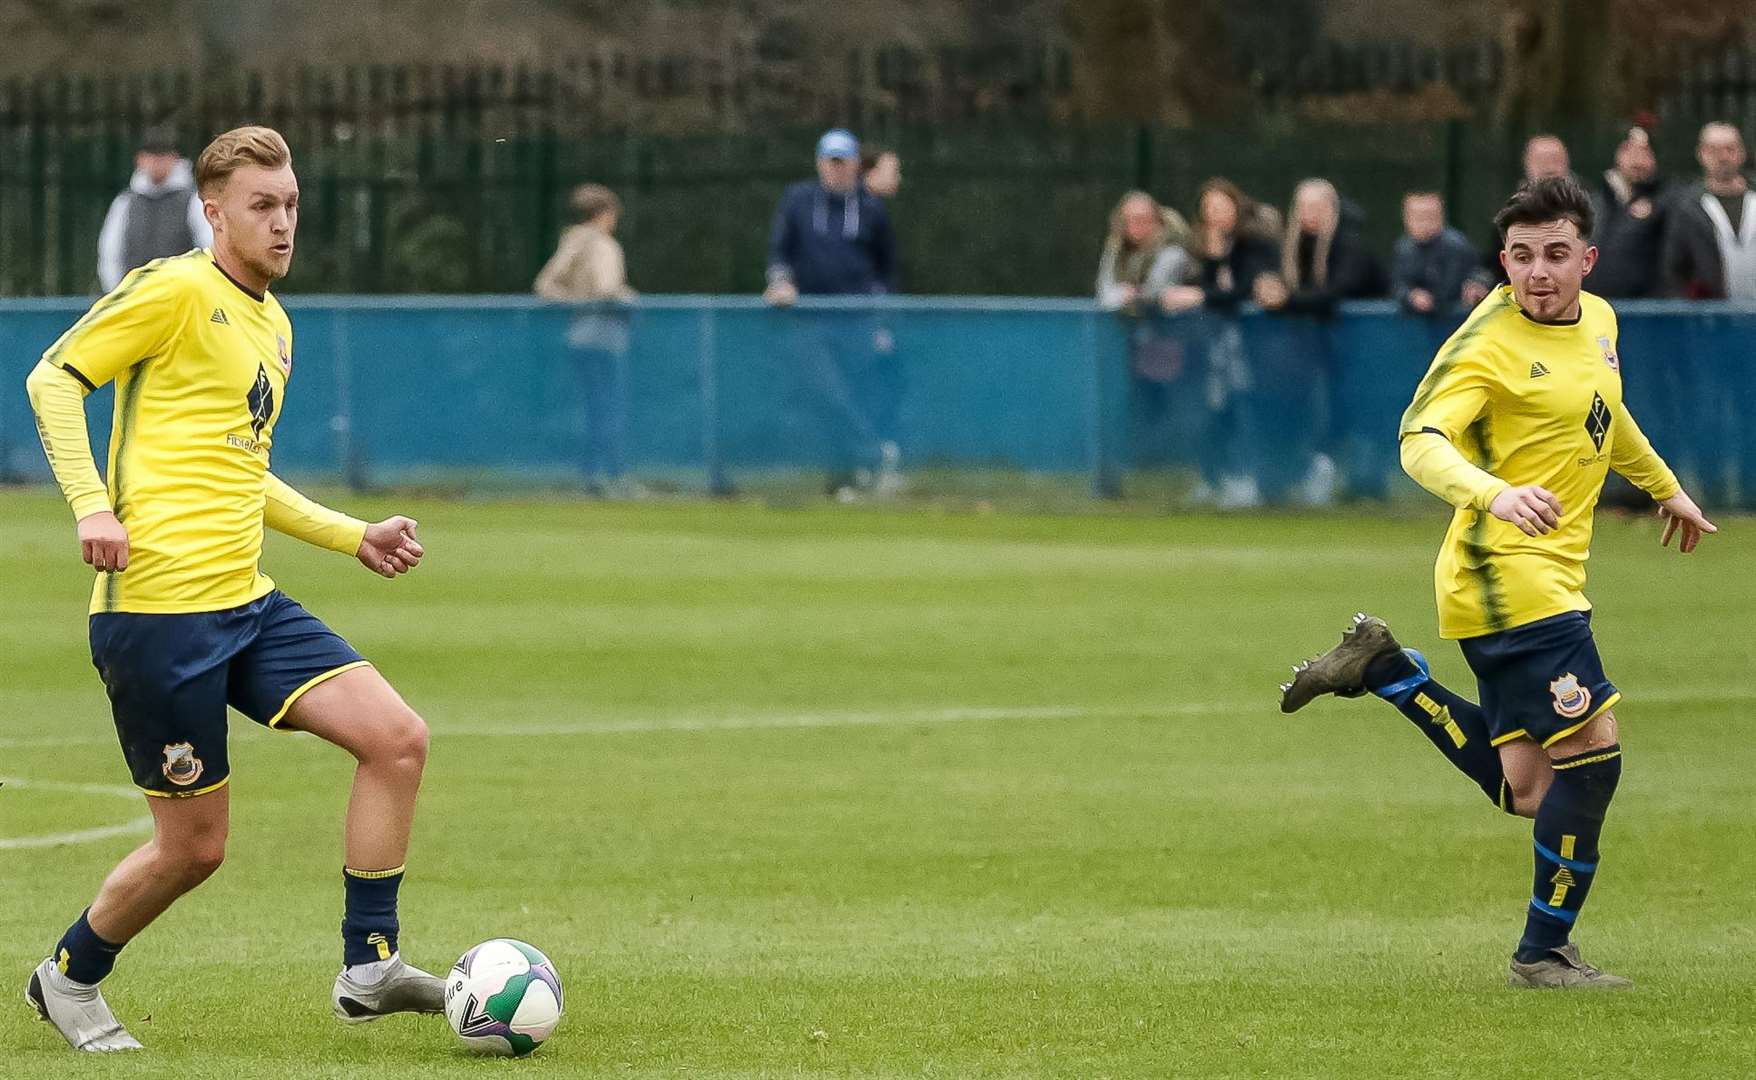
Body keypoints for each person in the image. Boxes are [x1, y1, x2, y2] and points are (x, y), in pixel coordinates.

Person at [23, 126, 442, 1052]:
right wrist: (92, 507)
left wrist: (352, 535)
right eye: (263, 206)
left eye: (291, 203)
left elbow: (240, 473)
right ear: (213, 212)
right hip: (158, 618)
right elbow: (51, 380)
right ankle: (68, 977)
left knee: (397, 740)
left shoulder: (274, 324)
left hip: (247, 604)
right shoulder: (174, 290)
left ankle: (369, 964)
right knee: (195, 850)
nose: (284, 222)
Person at [1278, 176, 1716, 990]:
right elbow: (1419, 439)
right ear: (1504, 262)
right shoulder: (1487, 344)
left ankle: (1384, 669)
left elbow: (1604, 416)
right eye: (1520, 256)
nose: (1537, 272)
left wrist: (1663, 486)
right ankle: (1542, 954)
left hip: (1539, 575)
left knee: (1528, 791)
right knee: (1595, 755)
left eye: (1555, 254)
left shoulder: (1604, 321)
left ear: (1587, 259)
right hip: (1505, 575)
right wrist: (1495, 492)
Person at [764, 129, 898, 498]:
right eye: (830, 162)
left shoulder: (871, 208)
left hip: (858, 319)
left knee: (854, 393)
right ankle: (872, 453)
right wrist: (780, 282)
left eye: (843, 162)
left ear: (855, 165)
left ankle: (844, 479)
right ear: (820, 163)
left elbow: (886, 268)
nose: (836, 169)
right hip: (810, 318)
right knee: (823, 389)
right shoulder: (798, 200)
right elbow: (780, 252)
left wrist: (883, 320)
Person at [1254, 179, 1384, 504]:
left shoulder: (1352, 246)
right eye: (1304, 207)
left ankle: (1361, 485)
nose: (1310, 215)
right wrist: (1265, 287)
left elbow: (1334, 294)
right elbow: (1269, 279)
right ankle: (1285, 480)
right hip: (1306, 355)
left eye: (1318, 207)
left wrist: (1285, 301)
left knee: (1352, 415)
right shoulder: (1288, 248)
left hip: (1356, 354)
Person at [1160, 178, 1277, 509]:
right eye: (1209, 208)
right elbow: (1207, 289)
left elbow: (1239, 292)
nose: (1216, 214)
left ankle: (1248, 480)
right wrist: (1211, 263)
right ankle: (1213, 478)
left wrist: (1200, 295)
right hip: (1208, 350)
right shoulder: (1198, 247)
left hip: (1249, 350)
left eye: (1222, 206)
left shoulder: (1254, 244)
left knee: (1243, 411)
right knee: (1210, 413)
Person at [535, 183, 639, 497]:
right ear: (605, 214)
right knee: (610, 407)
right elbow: (608, 288)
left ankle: (592, 476)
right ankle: (614, 476)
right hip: (605, 335)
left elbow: (545, 284)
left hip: (578, 335)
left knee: (592, 408)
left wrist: (574, 302)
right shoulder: (605, 245)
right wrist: (627, 297)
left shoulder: (572, 242)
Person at [1097, 191, 1195, 475]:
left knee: (1179, 408)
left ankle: (1182, 468)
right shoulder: (1116, 249)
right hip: (1134, 343)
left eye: (1143, 219)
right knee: (1137, 406)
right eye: (1129, 220)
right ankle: (1140, 468)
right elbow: (1105, 294)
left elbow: (1153, 293)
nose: (1136, 227)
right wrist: (1123, 296)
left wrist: (1131, 296)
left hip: (1179, 341)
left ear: (1157, 220)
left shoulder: (1173, 250)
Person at [96, 126, 215, 292]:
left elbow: (208, 248)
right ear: (139, 159)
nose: (156, 163)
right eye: (151, 156)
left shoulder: (193, 201)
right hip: (135, 297)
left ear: (174, 158)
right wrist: (117, 294)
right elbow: (110, 254)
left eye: (162, 156)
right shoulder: (125, 202)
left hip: (182, 297)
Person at [1662, 122, 1756, 299]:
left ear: (1742, 153)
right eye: (1713, 150)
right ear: (1701, 154)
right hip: (1711, 317)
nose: (1723, 157)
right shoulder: (1686, 207)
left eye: (1730, 149)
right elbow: (1674, 268)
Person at [1590, 125, 1670, 299]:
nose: (1637, 160)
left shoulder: (1667, 201)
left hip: (1647, 310)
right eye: (1629, 151)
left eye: (1645, 152)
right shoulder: (1593, 201)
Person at [1392, 191, 1492, 317]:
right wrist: (1411, 296)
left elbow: (1481, 272)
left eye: (1429, 217)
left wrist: (1476, 285)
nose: (1424, 223)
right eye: (1418, 217)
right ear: (1406, 219)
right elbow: (1398, 285)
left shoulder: (1458, 245)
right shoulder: (1403, 248)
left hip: (1455, 319)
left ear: (1441, 217)